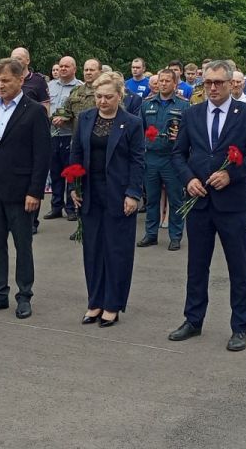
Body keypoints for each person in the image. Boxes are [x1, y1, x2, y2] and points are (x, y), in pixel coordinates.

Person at [169, 60, 246, 352]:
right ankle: (193, 320)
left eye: (218, 83)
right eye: (208, 83)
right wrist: (188, 179)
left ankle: (239, 327)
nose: (212, 88)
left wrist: (233, 173)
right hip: (198, 201)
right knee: (196, 265)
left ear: (230, 84)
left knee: (238, 266)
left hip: (232, 203)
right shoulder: (192, 114)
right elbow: (178, 154)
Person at [0, 58, 51, 318]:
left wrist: (35, 191)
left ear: (20, 80)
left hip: (21, 191)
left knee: (22, 246)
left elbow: (42, 156)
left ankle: (24, 295)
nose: (0, 85)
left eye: (6, 80)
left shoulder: (35, 111)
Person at [70, 72, 145, 327]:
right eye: (99, 97)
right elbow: (76, 152)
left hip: (120, 194)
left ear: (119, 96)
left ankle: (113, 304)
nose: (102, 102)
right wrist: (73, 185)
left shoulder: (132, 123)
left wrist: (133, 193)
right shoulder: (85, 118)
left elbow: (137, 161)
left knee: (116, 250)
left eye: (108, 97)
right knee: (93, 250)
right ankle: (95, 302)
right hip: (90, 193)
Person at [137, 69, 189, 251]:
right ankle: (151, 234)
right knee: (151, 198)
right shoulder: (147, 104)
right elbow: (139, 129)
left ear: (175, 84)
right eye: (161, 81)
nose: (164, 84)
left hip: (172, 158)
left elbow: (189, 133)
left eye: (168, 81)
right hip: (151, 157)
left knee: (175, 199)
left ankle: (175, 236)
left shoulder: (184, 106)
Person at [46, 56, 82, 223]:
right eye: (61, 66)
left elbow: (82, 113)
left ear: (74, 69)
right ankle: (56, 206)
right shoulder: (49, 86)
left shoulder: (79, 88)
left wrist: (68, 119)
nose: (63, 69)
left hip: (70, 134)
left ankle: (71, 207)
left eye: (67, 66)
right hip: (53, 134)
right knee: (55, 171)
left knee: (70, 173)